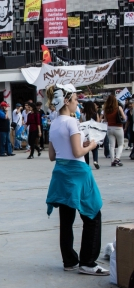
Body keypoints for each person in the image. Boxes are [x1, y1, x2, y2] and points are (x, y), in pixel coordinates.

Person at [45, 84, 108, 276]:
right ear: (67, 101)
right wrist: (92, 145)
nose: (77, 104)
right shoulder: (72, 122)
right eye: (75, 100)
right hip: (78, 172)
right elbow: (78, 152)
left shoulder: (54, 123)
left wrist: (81, 144)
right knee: (92, 214)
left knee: (66, 219)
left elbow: (52, 155)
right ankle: (88, 262)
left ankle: (69, 260)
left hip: (61, 172)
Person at [102, 94, 127, 167]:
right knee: (120, 144)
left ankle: (112, 161)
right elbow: (124, 118)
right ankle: (117, 158)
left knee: (111, 145)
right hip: (118, 127)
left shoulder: (105, 109)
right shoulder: (118, 108)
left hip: (109, 128)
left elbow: (105, 120)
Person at [81, 102, 100, 169]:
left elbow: (81, 124)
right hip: (93, 133)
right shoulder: (95, 114)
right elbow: (98, 124)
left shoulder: (83, 114)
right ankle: (95, 160)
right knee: (95, 148)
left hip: (85, 133)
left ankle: (86, 163)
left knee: (86, 147)